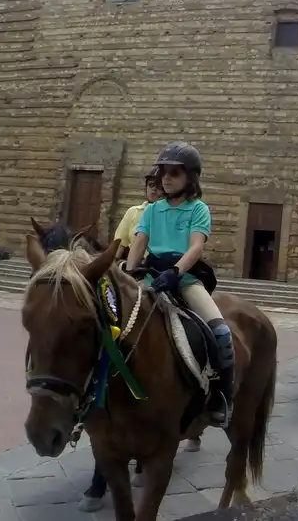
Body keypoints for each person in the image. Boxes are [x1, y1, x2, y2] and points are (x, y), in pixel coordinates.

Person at [125, 141, 234, 429]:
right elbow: (139, 242)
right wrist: (130, 273)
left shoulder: (198, 209)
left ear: (191, 177)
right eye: (163, 172)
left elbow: (196, 247)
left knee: (221, 332)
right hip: (151, 277)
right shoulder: (152, 210)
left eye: (174, 172)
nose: (166, 178)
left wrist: (175, 272)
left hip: (184, 279)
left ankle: (222, 396)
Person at [114, 168, 163, 260]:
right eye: (151, 185)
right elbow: (120, 243)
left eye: (159, 186)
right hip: (135, 262)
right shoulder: (133, 212)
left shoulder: (171, 214)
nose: (154, 189)